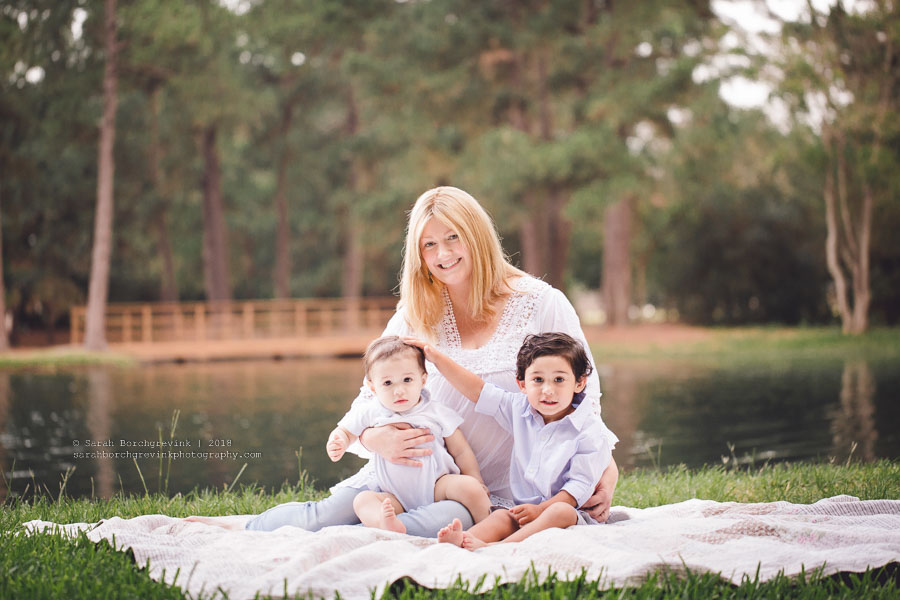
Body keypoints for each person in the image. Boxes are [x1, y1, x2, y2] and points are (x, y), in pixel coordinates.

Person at [242, 186, 619, 536]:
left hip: (494, 492)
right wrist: (374, 437)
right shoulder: (415, 315)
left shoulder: (542, 303)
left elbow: (587, 400)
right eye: (429, 244)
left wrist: (606, 465)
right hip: (413, 472)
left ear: (477, 237)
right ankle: (233, 529)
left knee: (406, 528)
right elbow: (371, 395)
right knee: (321, 518)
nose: (443, 254)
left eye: (454, 237)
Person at [409, 332, 610, 549]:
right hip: (524, 512)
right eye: (538, 380)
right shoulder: (519, 409)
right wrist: (436, 358)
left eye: (559, 380)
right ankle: (462, 541)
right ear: (522, 384)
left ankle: (501, 548)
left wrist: (541, 510)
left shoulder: (589, 429)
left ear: (579, 383)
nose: (548, 390)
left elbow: (576, 489)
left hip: (571, 516)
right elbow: (478, 390)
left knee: (560, 511)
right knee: (500, 517)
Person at [326, 336, 491, 533]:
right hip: (394, 494)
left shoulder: (436, 411)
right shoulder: (371, 411)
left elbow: (461, 450)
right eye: (388, 383)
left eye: (407, 380)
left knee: (471, 488)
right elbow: (346, 430)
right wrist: (339, 441)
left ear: (422, 380)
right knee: (363, 501)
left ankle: (487, 527)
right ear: (373, 387)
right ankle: (386, 524)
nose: (399, 391)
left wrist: (475, 478)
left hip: (438, 485)